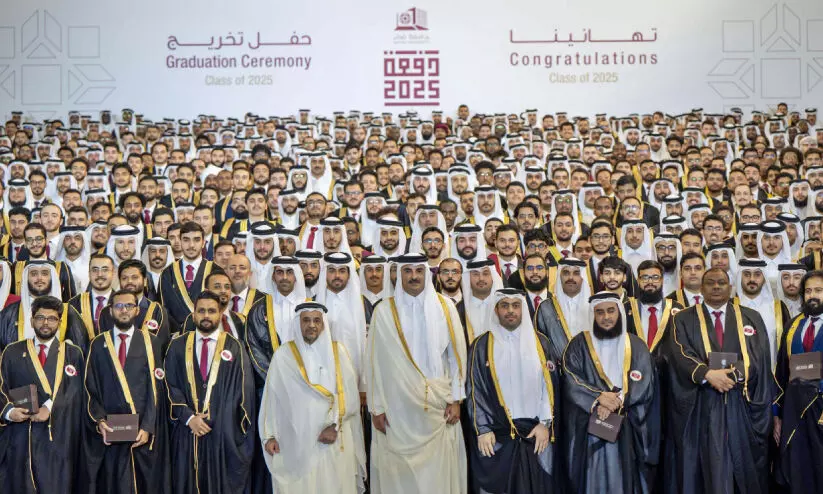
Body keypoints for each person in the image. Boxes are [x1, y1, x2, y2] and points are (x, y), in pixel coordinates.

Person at [366, 253, 467, 494]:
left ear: (426, 273)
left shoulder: (445, 307)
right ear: (399, 274)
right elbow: (374, 362)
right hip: (396, 409)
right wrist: (376, 407)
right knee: (399, 476)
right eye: (408, 271)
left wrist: (456, 399)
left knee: (437, 475)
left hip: (438, 406)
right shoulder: (384, 312)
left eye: (419, 271)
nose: (414, 276)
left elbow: (456, 356)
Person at [668, 268, 772, 494]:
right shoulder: (682, 318)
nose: (716, 287)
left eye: (721, 282)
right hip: (701, 404)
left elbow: (758, 355)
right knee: (707, 469)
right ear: (701, 288)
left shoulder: (750, 317)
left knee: (741, 468)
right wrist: (707, 374)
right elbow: (679, 352)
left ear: (730, 287)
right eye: (710, 283)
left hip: (740, 403)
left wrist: (730, 376)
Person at [259, 302, 367, 493]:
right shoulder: (283, 355)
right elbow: (272, 399)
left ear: (323, 324)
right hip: (294, 442)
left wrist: (334, 426)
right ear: (298, 323)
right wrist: (269, 436)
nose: (311, 325)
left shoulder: (338, 353)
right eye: (306, 320)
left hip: (331, 438)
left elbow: (350, 397)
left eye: (317, 320)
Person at [561, 291, 661, 493]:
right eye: (599, 312)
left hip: (628, 428)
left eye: (610, 311)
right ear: (593, 315)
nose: (606, 317)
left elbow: (645, 382)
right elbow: (571, 379)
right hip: (591, 428)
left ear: (619, 312)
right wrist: (598, 398)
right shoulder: (578, 344)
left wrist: (616, 401)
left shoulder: (636, 345)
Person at [465, 289, 560, 493]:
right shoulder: (481, 345)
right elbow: (475, 390)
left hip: (535, 432)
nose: (510, 311)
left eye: (516, 306)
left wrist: (545, 424)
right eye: (504, 305)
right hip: (497, 434)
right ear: (496, 310)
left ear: (523, 309)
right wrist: (483, 429)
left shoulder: (541, 343)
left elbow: (550, 387)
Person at [164, 291, 255, 494]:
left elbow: (244, 393)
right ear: (194, 314)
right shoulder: (177, 346)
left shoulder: (235, 347)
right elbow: (170, 385)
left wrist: (221, 421)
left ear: (221, 314)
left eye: (212, 311)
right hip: (186, 434)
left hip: (223, 437)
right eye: (201, 311)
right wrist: (189, 418)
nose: (206, 316)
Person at [83, 289, 169, 493]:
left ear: (137, 310)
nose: (124, 310)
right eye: (119, 306)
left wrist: (147, 427)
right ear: (110, 311)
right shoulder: (98, 344)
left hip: (141, 432)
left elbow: (156, 388)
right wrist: (100, 421)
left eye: (129, 306)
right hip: (110, 432)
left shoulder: (151, 342)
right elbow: (89, 386)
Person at [0, 296, 86, 492]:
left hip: (58, 436)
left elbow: (76, 391)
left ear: (60, 322)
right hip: (21, 437)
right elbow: (1, 387)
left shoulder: (73, 353)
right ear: (31, 321)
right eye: (40, 318)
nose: (45, 323)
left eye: (52, 318)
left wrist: (49, 407)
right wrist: (9, 412)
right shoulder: (12, 351)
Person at [774, 270, 823, 492]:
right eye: (809, 291)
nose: (813, 295)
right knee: (799, 473)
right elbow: (781, 373)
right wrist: (777, 415)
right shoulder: (793, 325)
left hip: (821, 410)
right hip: (795, 413)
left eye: (819, 290)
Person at [0, 261, 88, 352]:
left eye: (45, 274)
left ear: (52, 278)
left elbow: (80, 350)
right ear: (26, 278)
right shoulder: (10, 313)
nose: (39, 278)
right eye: (34, 274)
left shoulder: (67, 312)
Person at [158, 222, 223, 330]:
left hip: (209, 333)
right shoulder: (167, 273)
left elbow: (221, 307)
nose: (191, 245)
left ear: (203, 243)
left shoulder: (216, 271)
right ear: (180, 241)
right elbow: (164, 311)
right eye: (186, 240)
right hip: (175, 335)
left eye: (196, 240)